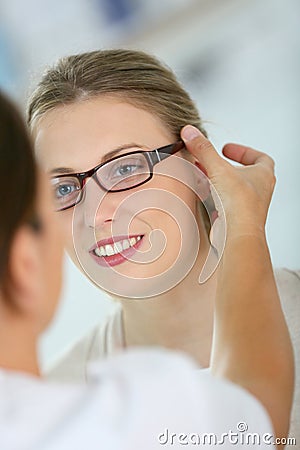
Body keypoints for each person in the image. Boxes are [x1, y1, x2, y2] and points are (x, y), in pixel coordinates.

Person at [27, 49, 298, 444]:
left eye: (125, 167)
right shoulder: (53, 414)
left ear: (202, 168)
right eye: (64, 188)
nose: (95, 214)